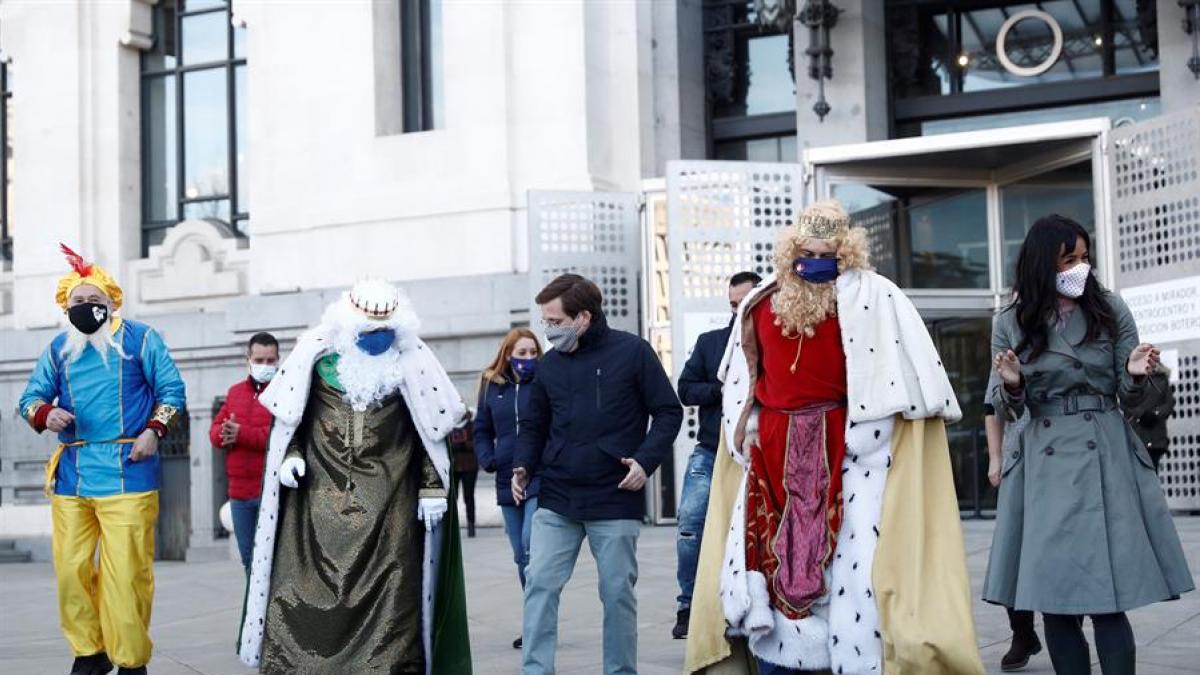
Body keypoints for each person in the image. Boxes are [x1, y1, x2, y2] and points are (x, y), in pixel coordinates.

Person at [686, 201, 985, 675]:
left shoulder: (875, 297)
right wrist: (750, 433)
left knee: (851, 562)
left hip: (848, 452)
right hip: (772, 452)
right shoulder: (760, 302)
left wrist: (868, 435)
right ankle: (778, 654)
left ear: (846, 252)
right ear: (791, 250)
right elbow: (742, 385)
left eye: (827, 253)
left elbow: (902, 380)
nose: (815, 261)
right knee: (766, 553)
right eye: (806, 251)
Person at [983, 214, 1194, 675]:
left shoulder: (1110, 308)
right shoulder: (1009, 322)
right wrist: (1015, 385)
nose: (1080, 266)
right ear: (1044, 263)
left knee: (1107, 598)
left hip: (1105, 448)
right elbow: (1003, 403)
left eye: (1084, 256)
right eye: (1069, 258)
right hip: (1044, 459)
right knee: (1056, 599)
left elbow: (1129, 395)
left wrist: (1137, 373)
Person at [237, 279, 471, 674]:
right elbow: (293, 420)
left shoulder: (411, 367)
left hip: (389, 507)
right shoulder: (315, 361)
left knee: (394, 595)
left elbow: (429, 433)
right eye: (369, 332)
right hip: (316, 508)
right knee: (299, 594)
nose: (377, 339)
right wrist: (290, 456)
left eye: (385, 332)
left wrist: (432, 485)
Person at [18, 244, 186, 675]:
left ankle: (130, 661)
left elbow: (172, 391)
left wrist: (154, 431)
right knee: (72, 571)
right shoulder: (58, 349)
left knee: (126, 574)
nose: (87, 308)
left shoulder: (142, 339)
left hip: (129, 470)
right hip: (73, 474)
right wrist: (45, 412)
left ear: (111, 303)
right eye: (79, 302)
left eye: (95, 301)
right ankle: (89, 653)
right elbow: (29, 398)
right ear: (66, 305)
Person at [512, 273, 683, 675]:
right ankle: (535, 670)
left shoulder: (634, 352)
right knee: (539, 584)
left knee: (617, 592)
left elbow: (668, 411)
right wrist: (523, 465)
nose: (547, 329)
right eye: (545, 320)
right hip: (557, 495)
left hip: (615, 494)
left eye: (554, 321)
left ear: (583, 318)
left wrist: (645, 460)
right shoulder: (549, 365)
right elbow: (534, 424)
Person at [672, 270, 761, 640]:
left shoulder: (776, 340)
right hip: (712, 448)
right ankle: (688, 604)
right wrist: (723, 390)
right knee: (691, 521)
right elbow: (685, 389)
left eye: (745, 304)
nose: (738, 311)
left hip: (758, 452)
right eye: (732, 305)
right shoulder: (711, 342)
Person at [473, 327, 544, 650]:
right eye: (522, 354)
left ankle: (537, 623)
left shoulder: (545, 381)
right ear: (509, 355)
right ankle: (536, 617)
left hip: (539, 475)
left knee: (531, 546)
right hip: (505, 476)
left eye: (533, 353)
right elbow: (481, 429)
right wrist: (489, 459)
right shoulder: (492, 385)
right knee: (520, 556)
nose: (528, 359)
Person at [208, 332, 278, 573]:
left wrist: (240, 434)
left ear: (278, 360)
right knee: (249, 560)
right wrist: (224, 434)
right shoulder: (235, 392)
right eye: (259, 360)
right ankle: (253, 611)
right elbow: (215, 430)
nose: (265, 366)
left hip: (271, 492)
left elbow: (279, 437)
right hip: (239, 494)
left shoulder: (284, 391)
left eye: (270, 361)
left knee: (274, 562)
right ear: (248, 359)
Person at [983, 381, 1041, 672]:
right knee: (1013, 551)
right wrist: (995, 458)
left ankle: (1070, 627)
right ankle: (1022, 633)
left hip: (1063, 459)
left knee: (1064, 550)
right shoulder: (1008, 348)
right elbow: (992, 409)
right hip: (1017, 459)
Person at [1120, 363, 1175, 471]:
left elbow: (1169, 403)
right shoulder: (1130, 379)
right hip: (1137, 434)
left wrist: (1154, 414)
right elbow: (1124, 403)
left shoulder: (1161, 379)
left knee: (1151, 472)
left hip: (1154, 436)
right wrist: (1142, 414)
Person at [450, 409, 479, 537]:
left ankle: (471, 526)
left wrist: (465, 443)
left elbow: (478, 443)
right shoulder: (449, 425)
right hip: (454, 465)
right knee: (452, 498)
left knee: (469, 496)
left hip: (469, 465)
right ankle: (452, 527)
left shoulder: (471, 425)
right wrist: (453, 445)